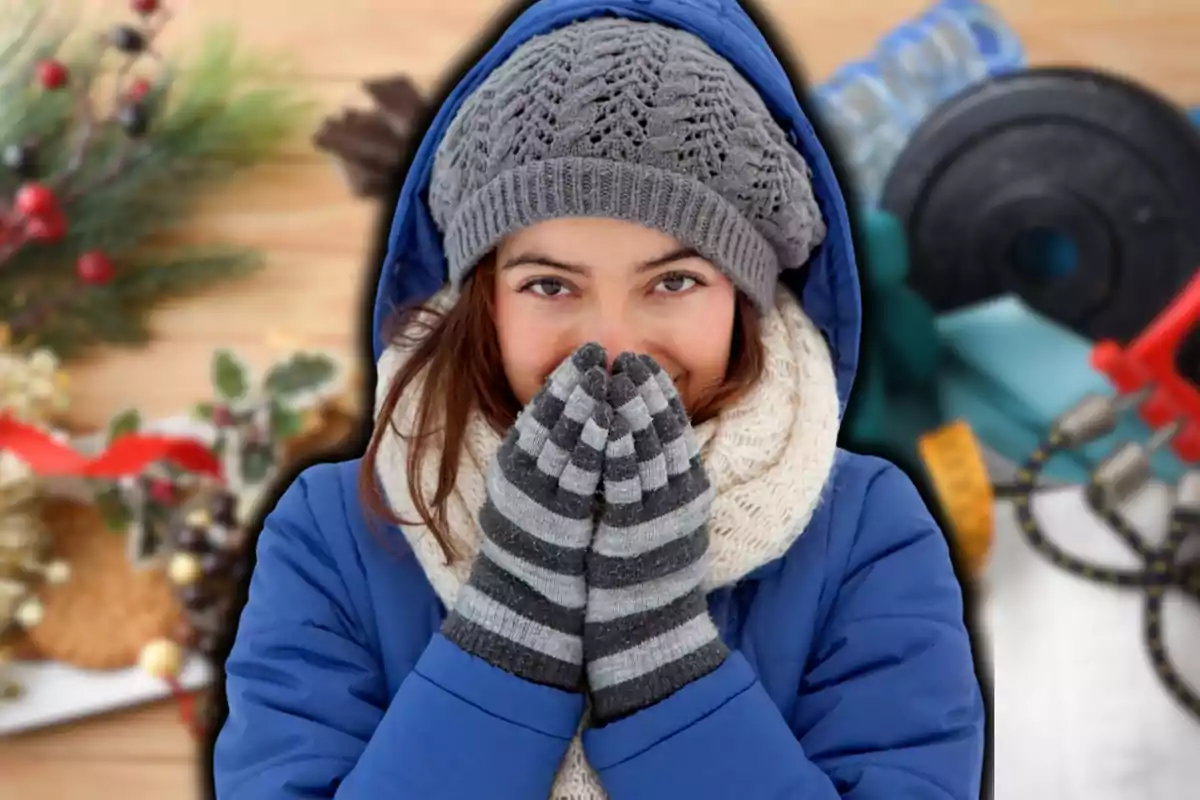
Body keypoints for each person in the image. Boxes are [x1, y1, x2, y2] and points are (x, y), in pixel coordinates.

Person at [210, 1, 986, 797]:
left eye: (673, 281)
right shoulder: (337, 534)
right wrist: (506, 637)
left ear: (745, 298)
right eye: (550, 284)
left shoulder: (866, 533)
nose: (611, 346)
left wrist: (667, 670)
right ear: (484, 298)